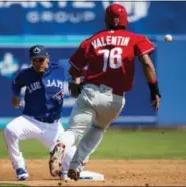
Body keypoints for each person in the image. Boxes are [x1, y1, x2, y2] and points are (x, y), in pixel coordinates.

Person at [49, 3, 161, 181]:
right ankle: (76, 166)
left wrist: (75, 82)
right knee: (98, 128)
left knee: (74, 130)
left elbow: (74, 69)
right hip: (115, 99)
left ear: (106, 20)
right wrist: (154, 90)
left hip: (90, 92)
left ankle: (62, 144)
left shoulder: (93, 40)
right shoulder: (135, 39)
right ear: (125, 20)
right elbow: (146, 63)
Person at [4, 45, 92, 181]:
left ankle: (64, 170)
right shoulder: (26, 74)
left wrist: (77, 81)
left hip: (53, 126)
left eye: (41, 59)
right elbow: (16, 83)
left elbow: (77, 70)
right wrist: (15, 96)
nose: (38, 63)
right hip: (30, 120)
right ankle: (19, 167)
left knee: (79, 160)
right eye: (34, 60)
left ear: (47, 58)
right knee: (10, 130)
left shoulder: (60, 69)